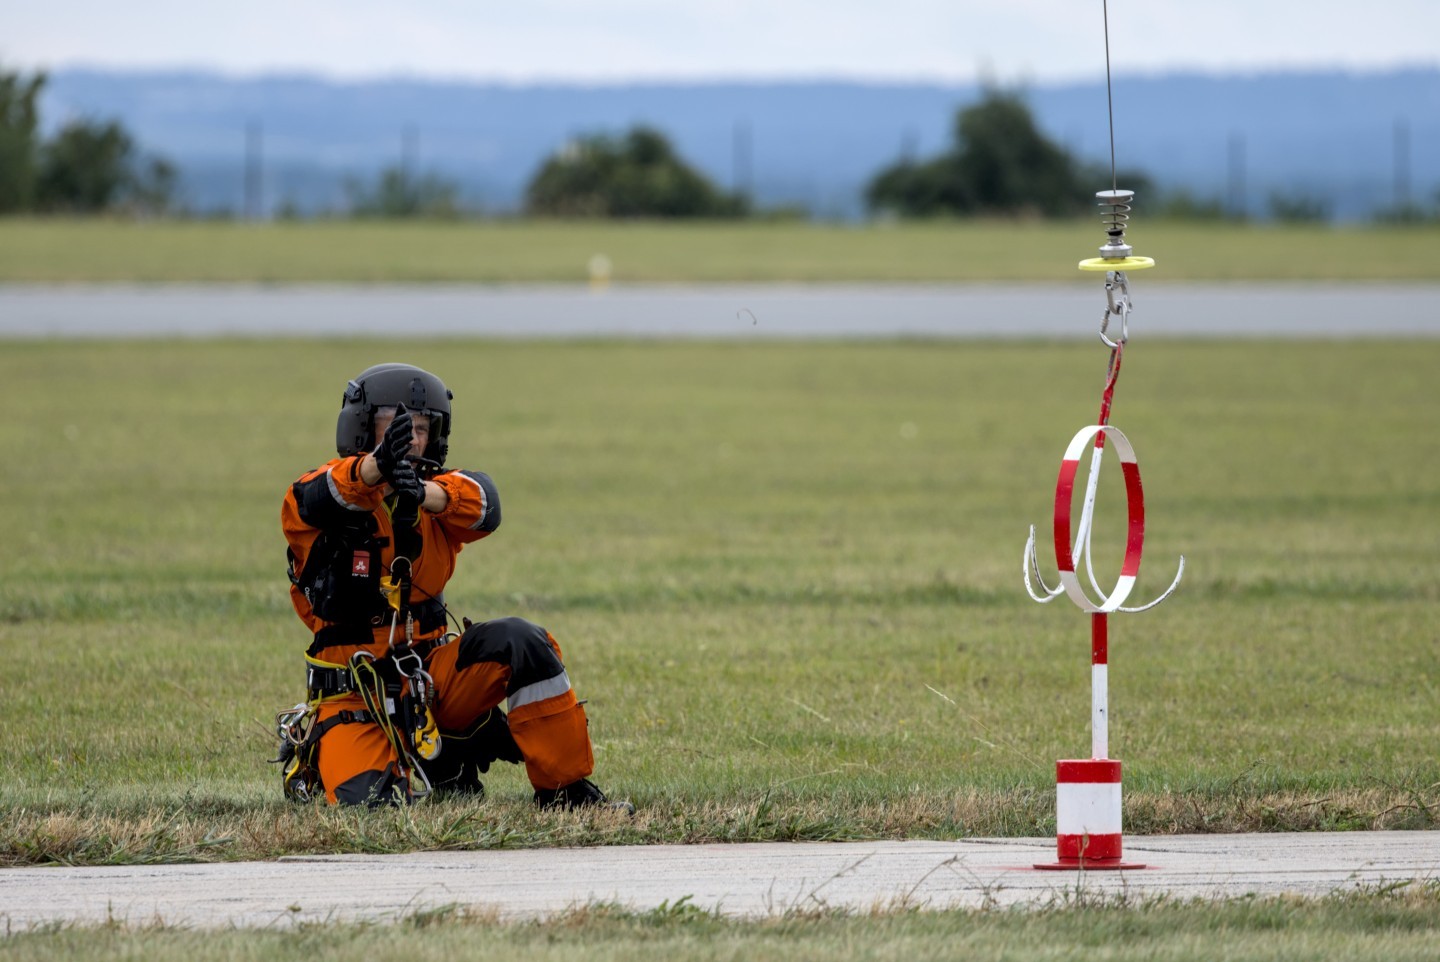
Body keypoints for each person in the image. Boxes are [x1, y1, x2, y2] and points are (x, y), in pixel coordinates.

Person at [276, 362, 623, 810]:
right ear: (362, 429)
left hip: (432, 687)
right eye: (396, 426)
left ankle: (565, 792)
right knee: (372, 811)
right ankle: (409, 765)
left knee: (522, 642)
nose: (411, 438)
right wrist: (375, 470)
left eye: (421, 427)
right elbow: (320, 494)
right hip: (355, 698)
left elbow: (485, 504)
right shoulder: (314, 499)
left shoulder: (438, 499)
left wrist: (422, 494)